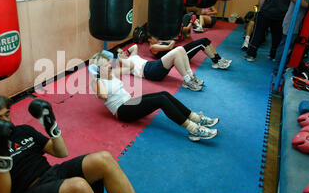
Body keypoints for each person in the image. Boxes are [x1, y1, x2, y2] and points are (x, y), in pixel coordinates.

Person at [0, 94, 165, 193]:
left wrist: (51, 125)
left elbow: (61, 152)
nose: (7, 122)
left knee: (104, 159)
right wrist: (1, 153)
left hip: (52, 177)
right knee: (79, 187)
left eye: (7, 114)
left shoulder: (23, 131)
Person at [89, 53, 219, 142]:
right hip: (122, 111)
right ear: (98, 69)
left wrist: (119, 58)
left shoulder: (112, 74)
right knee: (161, 101)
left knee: (164, 94)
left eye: (109, 64)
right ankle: (193, 130)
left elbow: (131, 66)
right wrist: (97, 77)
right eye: (106, 65)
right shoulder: (96, 83)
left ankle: (196, 118)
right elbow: (104, 96)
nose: (110, 66)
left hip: (130, 102)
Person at [112, 44, 204, 91]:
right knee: (176, 52)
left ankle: (190, 76)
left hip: (153, 66)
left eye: (123, 51)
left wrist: (126, 51)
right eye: (121, 53)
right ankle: (187, 81)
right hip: (150, 71)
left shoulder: (131, 56)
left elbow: (135, 46)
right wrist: (117, 59)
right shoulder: (125, 65)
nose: (123, 53)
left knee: (180, 49)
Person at [273, 0, 309, 73]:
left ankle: (284, 69)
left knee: (294, 46)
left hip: (304, 21)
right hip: (294, 19)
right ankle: (278, 71)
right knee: (286, 45)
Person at [144, 35, 232, 70]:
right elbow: (169, 46)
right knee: (201, 44)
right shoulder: (153, 47)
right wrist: (173, 40)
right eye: (154, 37)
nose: (156, 37)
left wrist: (173, 40)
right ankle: (216, 62)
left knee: (205, 40)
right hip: (180, 56)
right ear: (149, 39)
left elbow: (171, 41)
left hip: (180, 50)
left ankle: (218, 59)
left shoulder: (158, 42)